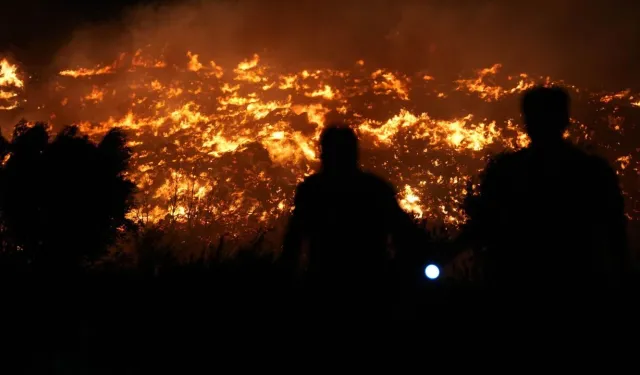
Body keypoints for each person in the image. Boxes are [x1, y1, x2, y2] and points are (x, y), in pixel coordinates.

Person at [462, 86, 628, 295]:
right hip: (576, 281)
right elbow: (616, 233)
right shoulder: (591, 170)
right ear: (565, 120)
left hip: (529, 281)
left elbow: (483, 225)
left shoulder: (508, 170)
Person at [282, 124, 423, 314]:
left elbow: (294, 240)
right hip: (363, 286)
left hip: (335, 285)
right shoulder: (374, 189)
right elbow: (404, 234)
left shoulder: (313, 190)